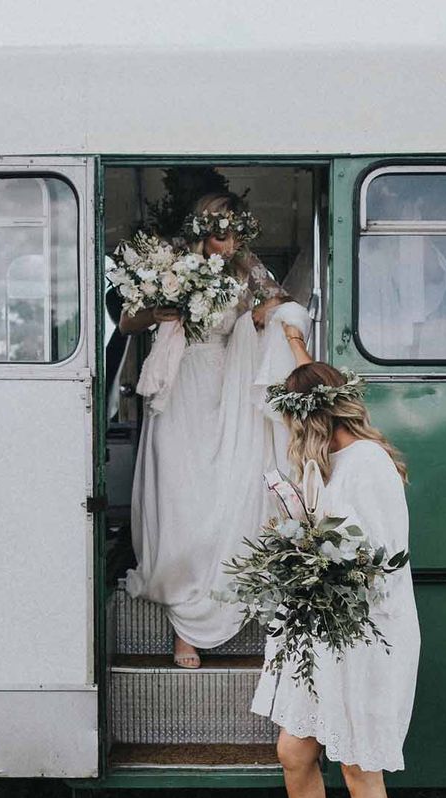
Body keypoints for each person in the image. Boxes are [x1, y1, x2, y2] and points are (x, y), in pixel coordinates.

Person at [248, 362, 420, 798]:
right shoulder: (333, 465)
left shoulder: (367, 465)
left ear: (310, 416)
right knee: (294, 749)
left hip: (367, 638)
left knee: (359, 768)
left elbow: (376, 562)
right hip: (328, 633)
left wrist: (312, 567)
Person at [119, 192, 313, 668]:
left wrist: (266, 309)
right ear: (202, 229)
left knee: (225, 492)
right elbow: (127, 321)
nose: (225, 243)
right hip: (181, 387)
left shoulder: (244, 269)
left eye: (232, 234)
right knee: (182, 497)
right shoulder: (170, 265)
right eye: (218, 232)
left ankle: (227, 594)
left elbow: (281, 302)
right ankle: (184, 623)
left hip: (225, 390)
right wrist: (162, 312)